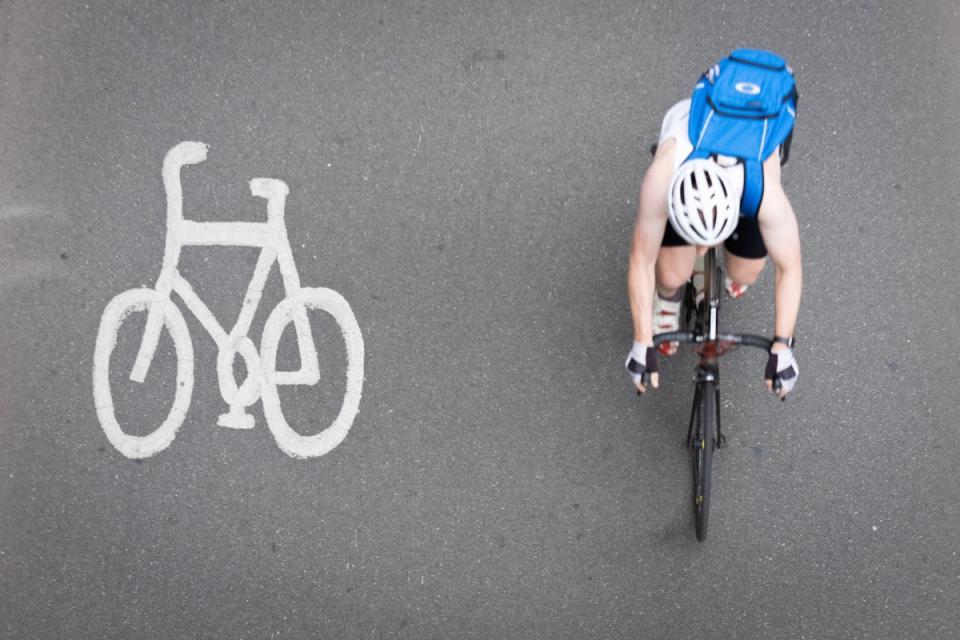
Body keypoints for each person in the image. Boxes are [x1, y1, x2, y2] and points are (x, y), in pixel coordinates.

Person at [625, 49, 802, 399]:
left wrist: (783, 346)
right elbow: (640, 260)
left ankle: (729, 268)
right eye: (699, 241)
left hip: (743, 187)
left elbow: (790, 268)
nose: (704, 250)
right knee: (670, 273)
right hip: (688, 150)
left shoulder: (763, 193)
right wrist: (641, 341)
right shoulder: (661, 181)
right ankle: (669, 295)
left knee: (744, 272)